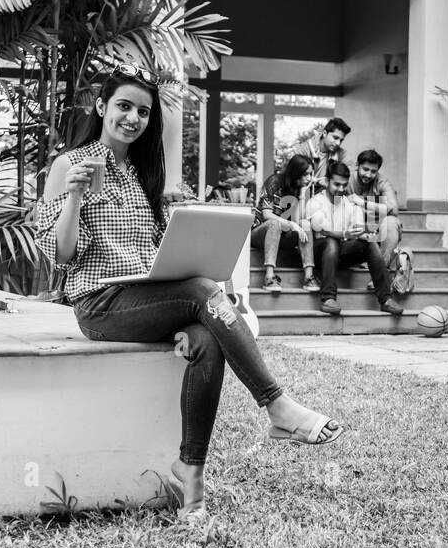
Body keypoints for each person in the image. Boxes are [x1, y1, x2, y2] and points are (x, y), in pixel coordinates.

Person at [33, 64, 343, 521]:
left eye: (142, 111)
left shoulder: (139, 175)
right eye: (123, 106)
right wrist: (75, 196)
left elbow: (149, 256)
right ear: (101, 107)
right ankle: (278, 406)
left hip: (146, 297)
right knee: (202, 292)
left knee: (205, 338)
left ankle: (191, 473)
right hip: (99, 304)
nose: (133, 118)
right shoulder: (69, 165)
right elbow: (60, 256)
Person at [306, 161, 405, 317]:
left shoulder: (349, 204)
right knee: (331, 242)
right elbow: (321, 230)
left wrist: (364, 235)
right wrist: (346, 234)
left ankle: (385, 299)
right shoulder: (315, 202)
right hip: (320, 254)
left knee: (369, 243)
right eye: (336, 184)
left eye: (344, 185)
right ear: (326, 182)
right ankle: (328, 298)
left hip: (342, 254)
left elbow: (357, 228)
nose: (341, 189)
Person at [253, 154, 319, 292]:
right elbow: (266, 215)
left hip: (282, 236)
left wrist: (302, 193)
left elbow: (296, 221)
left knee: (305, 224)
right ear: (296, 173)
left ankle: (309, 277)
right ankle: (269, 277)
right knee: (274, 223)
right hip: (260, 234)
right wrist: (291, 225)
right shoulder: (274, 181)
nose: (309, 178)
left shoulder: (296, 187)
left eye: (310, 174)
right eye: (305, 174)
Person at [346, 148, 402, 261]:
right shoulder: (347, 179)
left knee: (391, 222)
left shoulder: (382, 182)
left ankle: (383, 267)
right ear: (357, 166)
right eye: (365, 169)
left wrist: (364, 203)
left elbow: (394, 209)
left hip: (375, 227)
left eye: (373, 171)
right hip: (352, 227)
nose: (368, 174)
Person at [294, 117, 350, 192]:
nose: (338, 143)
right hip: (301, 194)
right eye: (335, 138)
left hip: (324, 198)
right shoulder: (304, 149)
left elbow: (344, 184)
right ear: (324, 133)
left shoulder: (342, 155)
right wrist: (315, 180)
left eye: (341, 140)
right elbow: (292, 176)